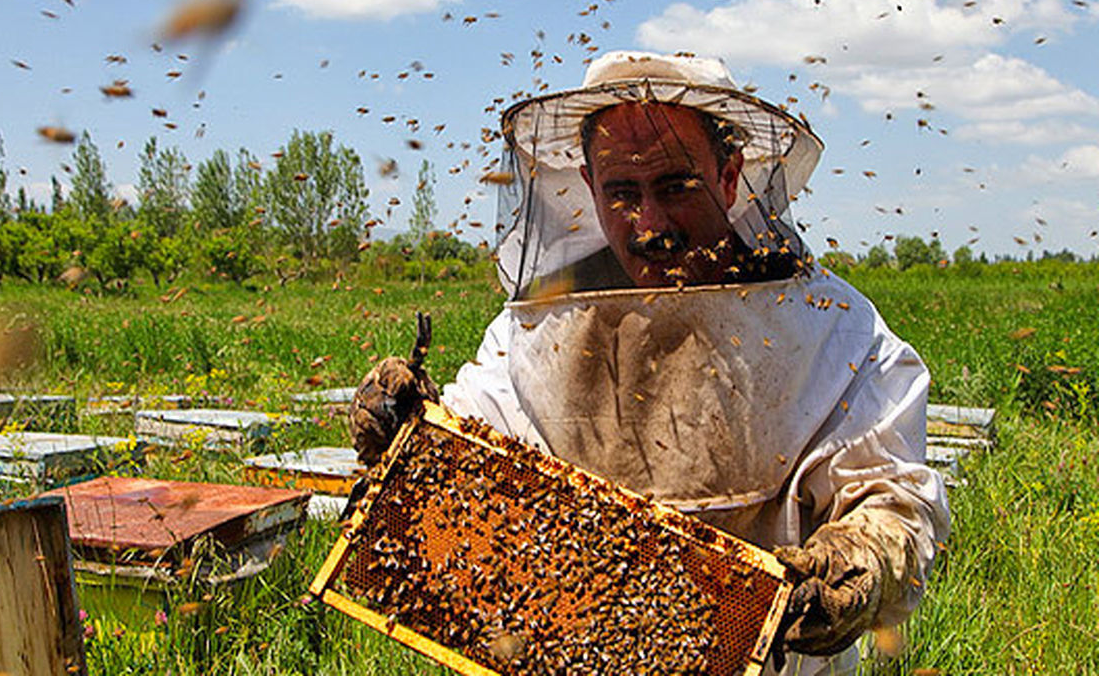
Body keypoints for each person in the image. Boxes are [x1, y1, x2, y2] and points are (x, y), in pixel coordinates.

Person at [350, 51, 951, 675]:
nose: (650, 223)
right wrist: (406, 429)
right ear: (588, 186)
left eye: (675, 186)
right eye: (622, 192)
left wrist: (861, 559)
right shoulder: (538, 328)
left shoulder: (833, 329)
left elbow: (896, 493)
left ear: (729, 176)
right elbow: (473, 440)